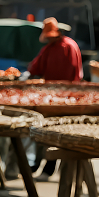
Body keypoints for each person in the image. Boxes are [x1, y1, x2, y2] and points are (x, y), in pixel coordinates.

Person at [28, 17, 83, 178]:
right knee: (45, 133)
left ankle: (49, 168)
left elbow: (73, 75)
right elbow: (36, 67)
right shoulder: (50, 48)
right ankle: (39, 165)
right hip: (52, 98)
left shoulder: (68, 47)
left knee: (56, 133)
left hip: (64, 99)